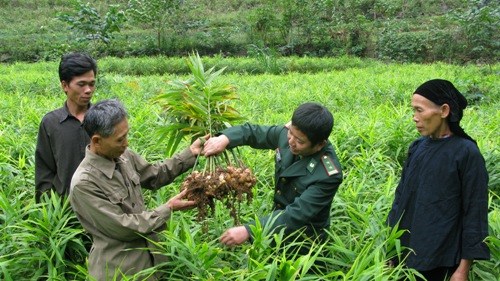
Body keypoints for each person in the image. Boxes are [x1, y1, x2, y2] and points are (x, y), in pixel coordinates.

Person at [69, 99, 201, 281]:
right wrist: (168, 208)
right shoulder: (84, 184)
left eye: (126, 135)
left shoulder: (123, 156)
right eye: (120, 139)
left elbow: (155, 175)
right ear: (97, 141)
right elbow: (123, 227)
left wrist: (190, 153)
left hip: (151, 263)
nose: (127, 143)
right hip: (120, 271)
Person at [387, 79, 490, 281]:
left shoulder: (466, 153)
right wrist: (391, 248)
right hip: (405, 253)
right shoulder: (417, 147)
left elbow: (475, 212)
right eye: (413, 110)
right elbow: (400, 200)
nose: (414, 118)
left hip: (441, 259)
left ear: (444, 111)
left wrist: (462, 270)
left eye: (419, 110)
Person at [203, 102, 343, 248]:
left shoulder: (328, 175)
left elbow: (297, 214)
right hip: (274, 224)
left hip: (304, 239)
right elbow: (253, 133)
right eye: (291, 133)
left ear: (320, 144)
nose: (291, 142)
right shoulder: (291, 135)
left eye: (300, 141)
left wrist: (249, 230)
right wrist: (225, 138)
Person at [35, 52, 97, 202]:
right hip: (65, 209)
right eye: (81, 84)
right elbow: (44, 172)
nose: (88, 90)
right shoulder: (51, 123)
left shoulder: (105, 119)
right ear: (65, 85)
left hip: (102, 209)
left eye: (92, 84)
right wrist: (48, 207)